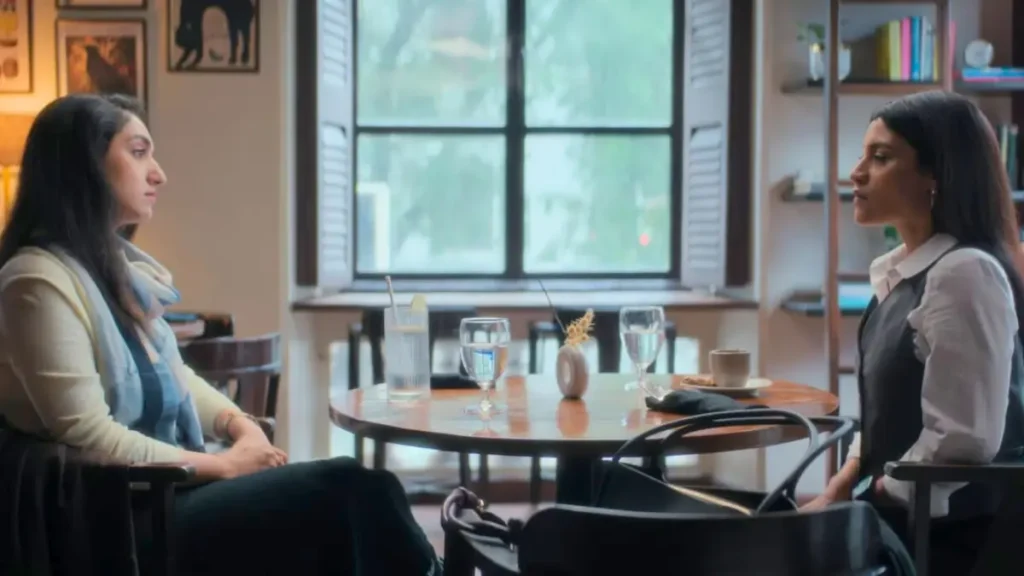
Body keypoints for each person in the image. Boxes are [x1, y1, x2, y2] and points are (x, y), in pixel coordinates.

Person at [0, 94, 441, 575]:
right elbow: (89, 434)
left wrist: (240, 426)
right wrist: (227, 465)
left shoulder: (110, 271)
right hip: (117, 523)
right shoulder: (36, 281)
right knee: (347, 488)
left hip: (163, 495)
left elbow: (177, 376)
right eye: (139, 152)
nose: (158, 174)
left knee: (354, 499)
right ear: (85, 165)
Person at [800, 91, 1024, 574]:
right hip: (897, 525)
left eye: (880, 158)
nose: (856, 173)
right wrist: (838, 490)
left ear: (936, 176)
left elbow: (961, 443)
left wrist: (866, 498)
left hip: (948, 545)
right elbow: (887, 423)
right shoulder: (899, 274)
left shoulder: (964, 274)